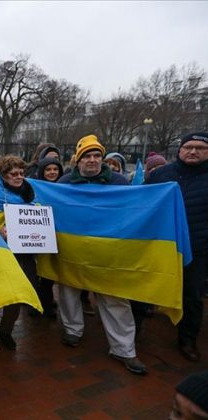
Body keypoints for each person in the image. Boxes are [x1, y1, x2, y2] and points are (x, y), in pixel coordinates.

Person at [57, 134, 147, 375]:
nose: (93, 160)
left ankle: (124, 349)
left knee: (115, 299)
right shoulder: (65, 183)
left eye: (97, 155)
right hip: (72, 251)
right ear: (78, 160)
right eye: (88, 155)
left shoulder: (118, 182)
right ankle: (72, 330)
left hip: (108, 254)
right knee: (68, 292)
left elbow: (132, 211)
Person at [147, 132, 207, 362]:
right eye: (188, 146)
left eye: (200, 147)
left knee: (192, 295)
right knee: (147, 285)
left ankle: (188, 339)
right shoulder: (161, 175)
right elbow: (141, 201)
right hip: (160, 246)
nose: (193, 151)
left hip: (197, 248)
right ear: (180, 149)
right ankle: (138, 326)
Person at [0, 156, 38, 351]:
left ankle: (6, 332)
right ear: (3, 176)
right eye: (14, 174)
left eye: (21, 173)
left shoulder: (30, 193)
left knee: (16, 293)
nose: (19, 177)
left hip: (21, 254)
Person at [33, 156, 64, 318]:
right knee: (40, 272)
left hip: (60, 235)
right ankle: (38, 304)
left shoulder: (66, 188)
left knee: (50, 275)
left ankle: (46, 302)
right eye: (48, 169)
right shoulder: (34, 188)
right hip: (39, 236)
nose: (52, 172)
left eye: (55, 169)